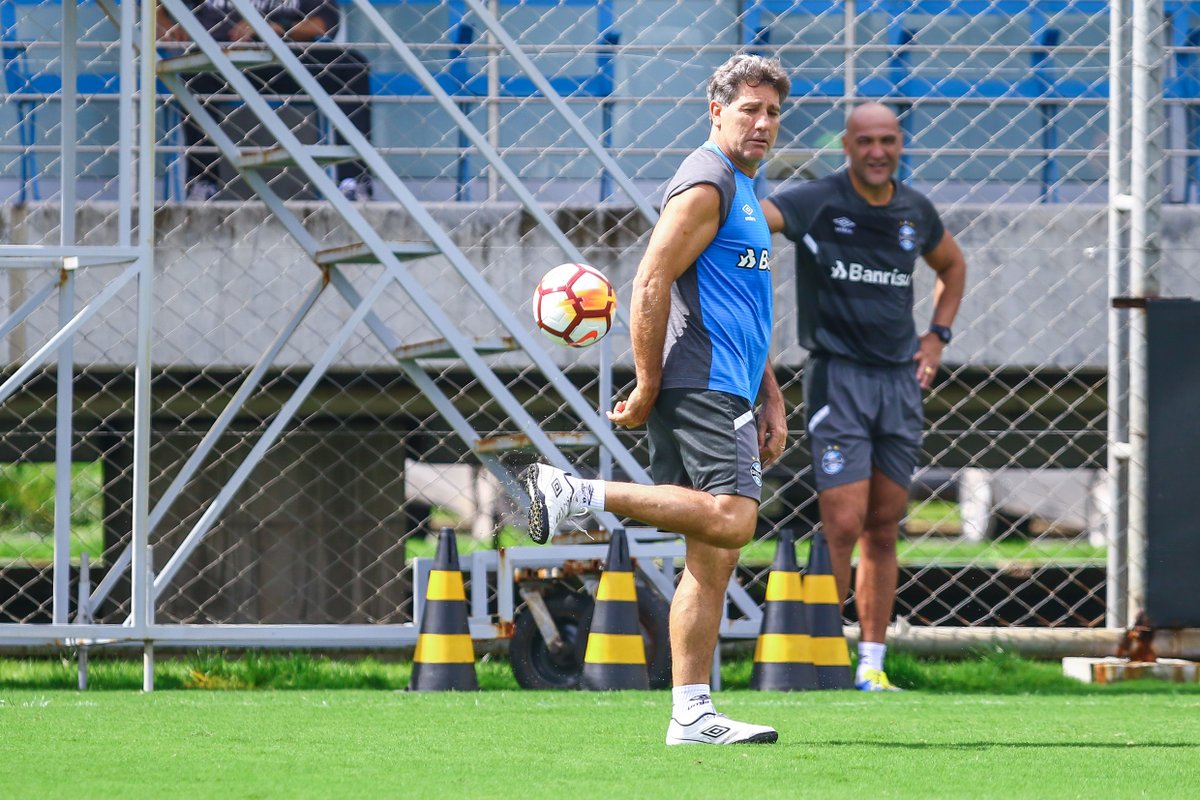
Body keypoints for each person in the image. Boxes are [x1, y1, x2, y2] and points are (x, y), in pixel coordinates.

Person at [520, 54, 789, 746]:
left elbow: (745, 307)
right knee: (731, 522)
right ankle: (576, 495)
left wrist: (772, 396)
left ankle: (692, 715)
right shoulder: (707, 182)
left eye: (772, 113)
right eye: (749, 110)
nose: (762, 124)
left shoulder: (744, 186)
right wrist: (645, 384)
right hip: (701, 382)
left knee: (711, 555)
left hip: (728, 380)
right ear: (716, 112)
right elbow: (648, 280)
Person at [761, 102, 967, 692]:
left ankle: (871, 667)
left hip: (899, 383)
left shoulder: (914, 210)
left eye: (888, 140)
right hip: (839, 379)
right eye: (865, 141)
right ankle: (821, 658)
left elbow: (952, 267)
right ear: (846, 146)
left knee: (884, 525)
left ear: (900, 144)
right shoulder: (817, 200)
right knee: (842, 523)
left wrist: (936, 337)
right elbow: (754, 218)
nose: (878, 151)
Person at [157, 0, 373, 201]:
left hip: (285, 57)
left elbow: (323, 22)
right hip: (219, 57)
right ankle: (202, 182)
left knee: (351, 67)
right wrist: (169, 27)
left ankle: (353, 181)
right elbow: (157, 7)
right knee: (195, 73)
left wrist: (276, 26)